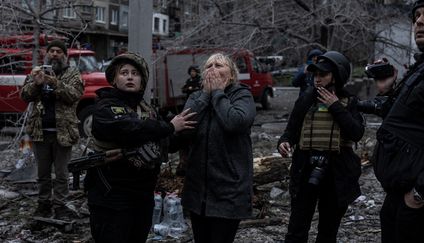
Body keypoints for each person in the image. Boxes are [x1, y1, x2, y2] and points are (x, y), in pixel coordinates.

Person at [84, 52, 195, 243]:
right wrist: (169, 126)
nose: (129, 76)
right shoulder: (105, 107)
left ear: (141, 81)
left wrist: (189, 130)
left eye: (135, 73)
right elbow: (130, 129)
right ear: (114, 79)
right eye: (124, 72)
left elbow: (166, 143)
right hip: (111, 196)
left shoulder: (147, 110)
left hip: (142, 194)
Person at [277, 51, 365, 243]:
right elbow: (290, 131)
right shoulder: (306, 99)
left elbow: (356, 132)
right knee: (296, 231)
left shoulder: (349, 101)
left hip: (336, 173)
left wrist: (335, 106)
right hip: (305, 169)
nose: (317, 79)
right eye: (315, 75)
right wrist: (283, 142)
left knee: (327, 232)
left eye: (323, 75)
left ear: (337, 75)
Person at [171, 53, 256, 243]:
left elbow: (235, 122)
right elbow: (182, 134)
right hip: (197, 190)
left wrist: (218, 93)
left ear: (232, 75)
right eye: (209, 66)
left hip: (229, 190)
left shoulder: (242, 95)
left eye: (219, 65)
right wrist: (205, 96)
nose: (213, 69)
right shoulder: (196, 97)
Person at [373, 1, 424, 242]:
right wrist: (388, 92)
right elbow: (406, 119)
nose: (418, 21)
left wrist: (421, 192)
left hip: (419, 199)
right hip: (400, 191)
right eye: (416, 16)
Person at [20, 39, 84, 220]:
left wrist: (54, 82)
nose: (54, 54)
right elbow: (24, 95)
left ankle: (61, 206)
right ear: (46, 54)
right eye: (51, 51)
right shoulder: (36, 73)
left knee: (62, 174)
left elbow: (74, 95)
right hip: (40, 132)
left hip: (63, 133)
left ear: (65, 55)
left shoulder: (72, 73)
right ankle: (43, 205)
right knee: (43, 173)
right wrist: (37, 83)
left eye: (58, 51)